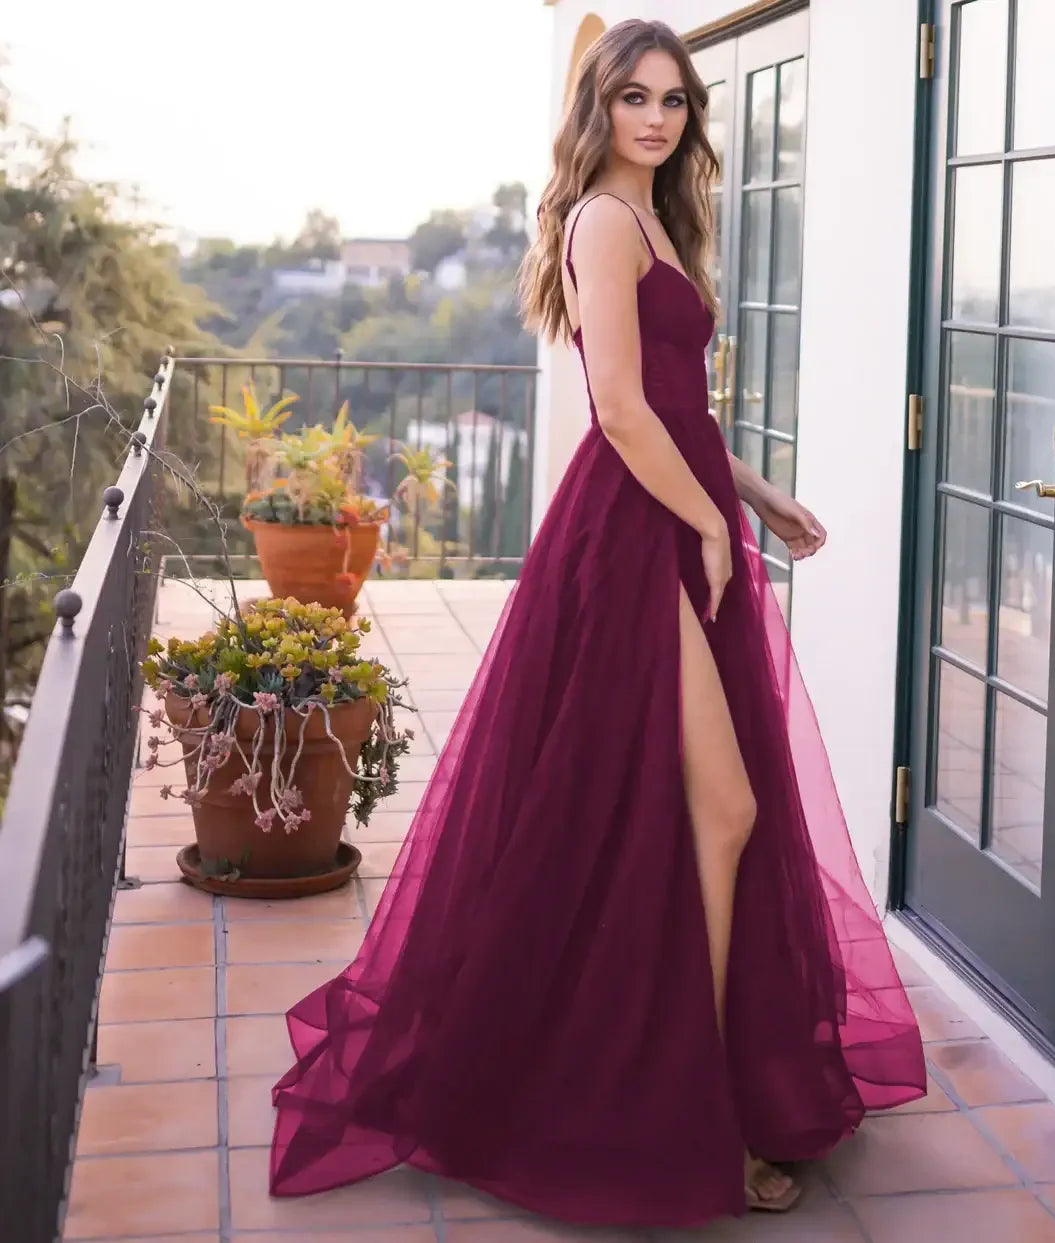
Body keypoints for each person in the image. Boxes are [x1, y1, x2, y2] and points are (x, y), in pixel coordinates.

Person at [269, 17, 926, 1226]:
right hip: (635, 538)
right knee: (717, 809)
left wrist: (753, 496)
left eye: (674, 101)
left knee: (674, 817)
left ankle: (690, 1081)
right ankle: (693, 1112)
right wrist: (710, 530)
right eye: (634, 98)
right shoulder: (601, 222)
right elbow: (619, 409)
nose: (656, 119)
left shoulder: (659, 219)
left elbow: (679, 410)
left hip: (674, 517)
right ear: (597, 108)